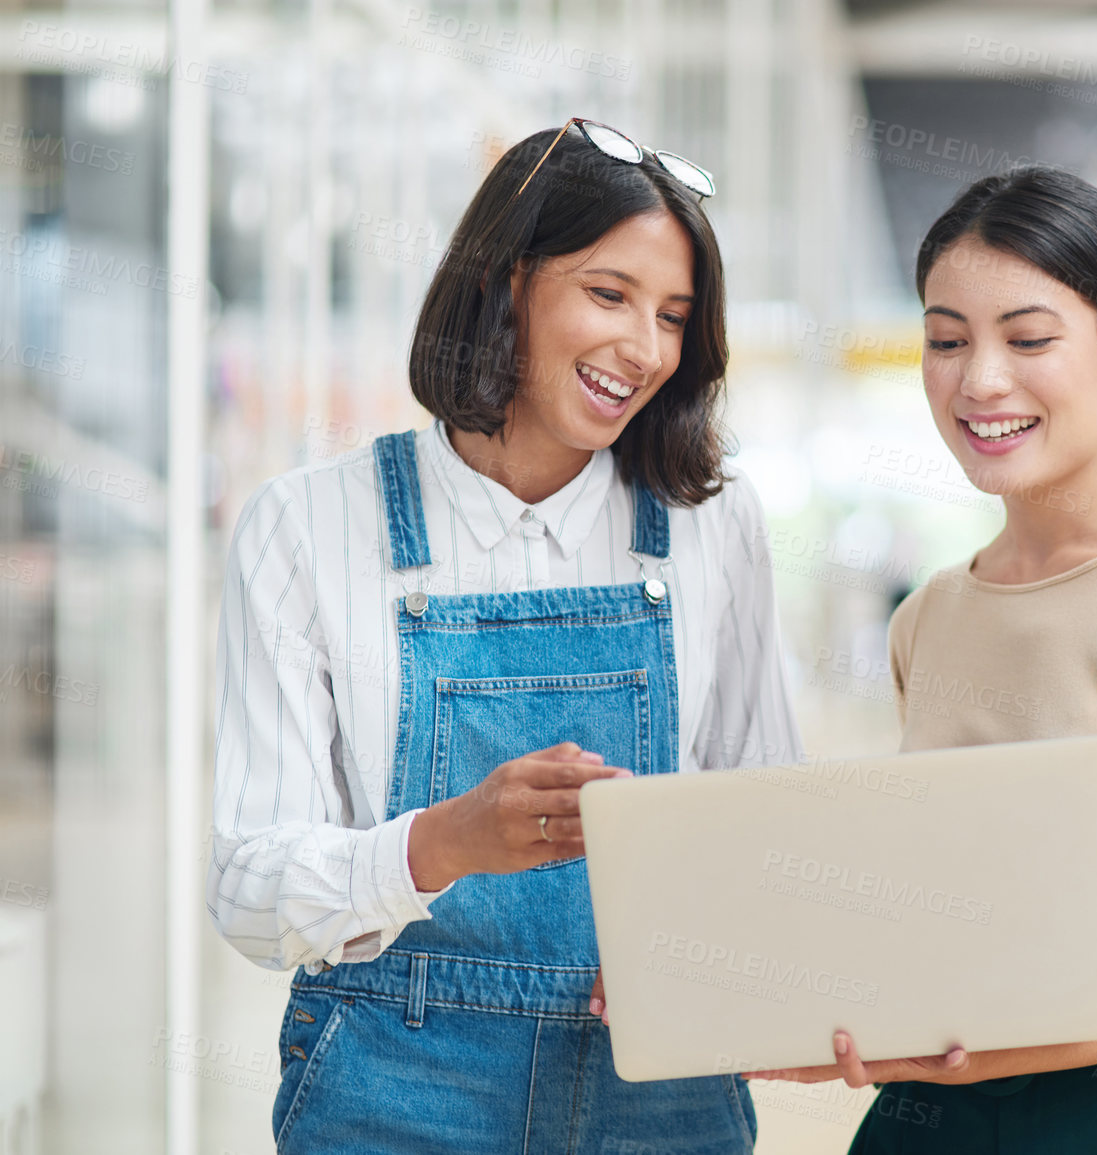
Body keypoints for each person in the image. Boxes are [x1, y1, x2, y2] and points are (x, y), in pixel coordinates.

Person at [207, 118, 800, 1154]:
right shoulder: (306, 527)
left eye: (672, 316)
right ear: (507, 281)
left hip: (655, 1087)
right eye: (609, 294)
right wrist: (443, 844)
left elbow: (769, 821)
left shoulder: (713, 523)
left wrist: (711, 953)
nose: (645, 348)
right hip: (392, 1092)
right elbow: (251, 889)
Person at [747, 167, 1097, 1153]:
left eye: (1029, 338)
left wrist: (961, 1045)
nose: (979, 381)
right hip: (946, 1116)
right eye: (947, 340)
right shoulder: (929, 616)